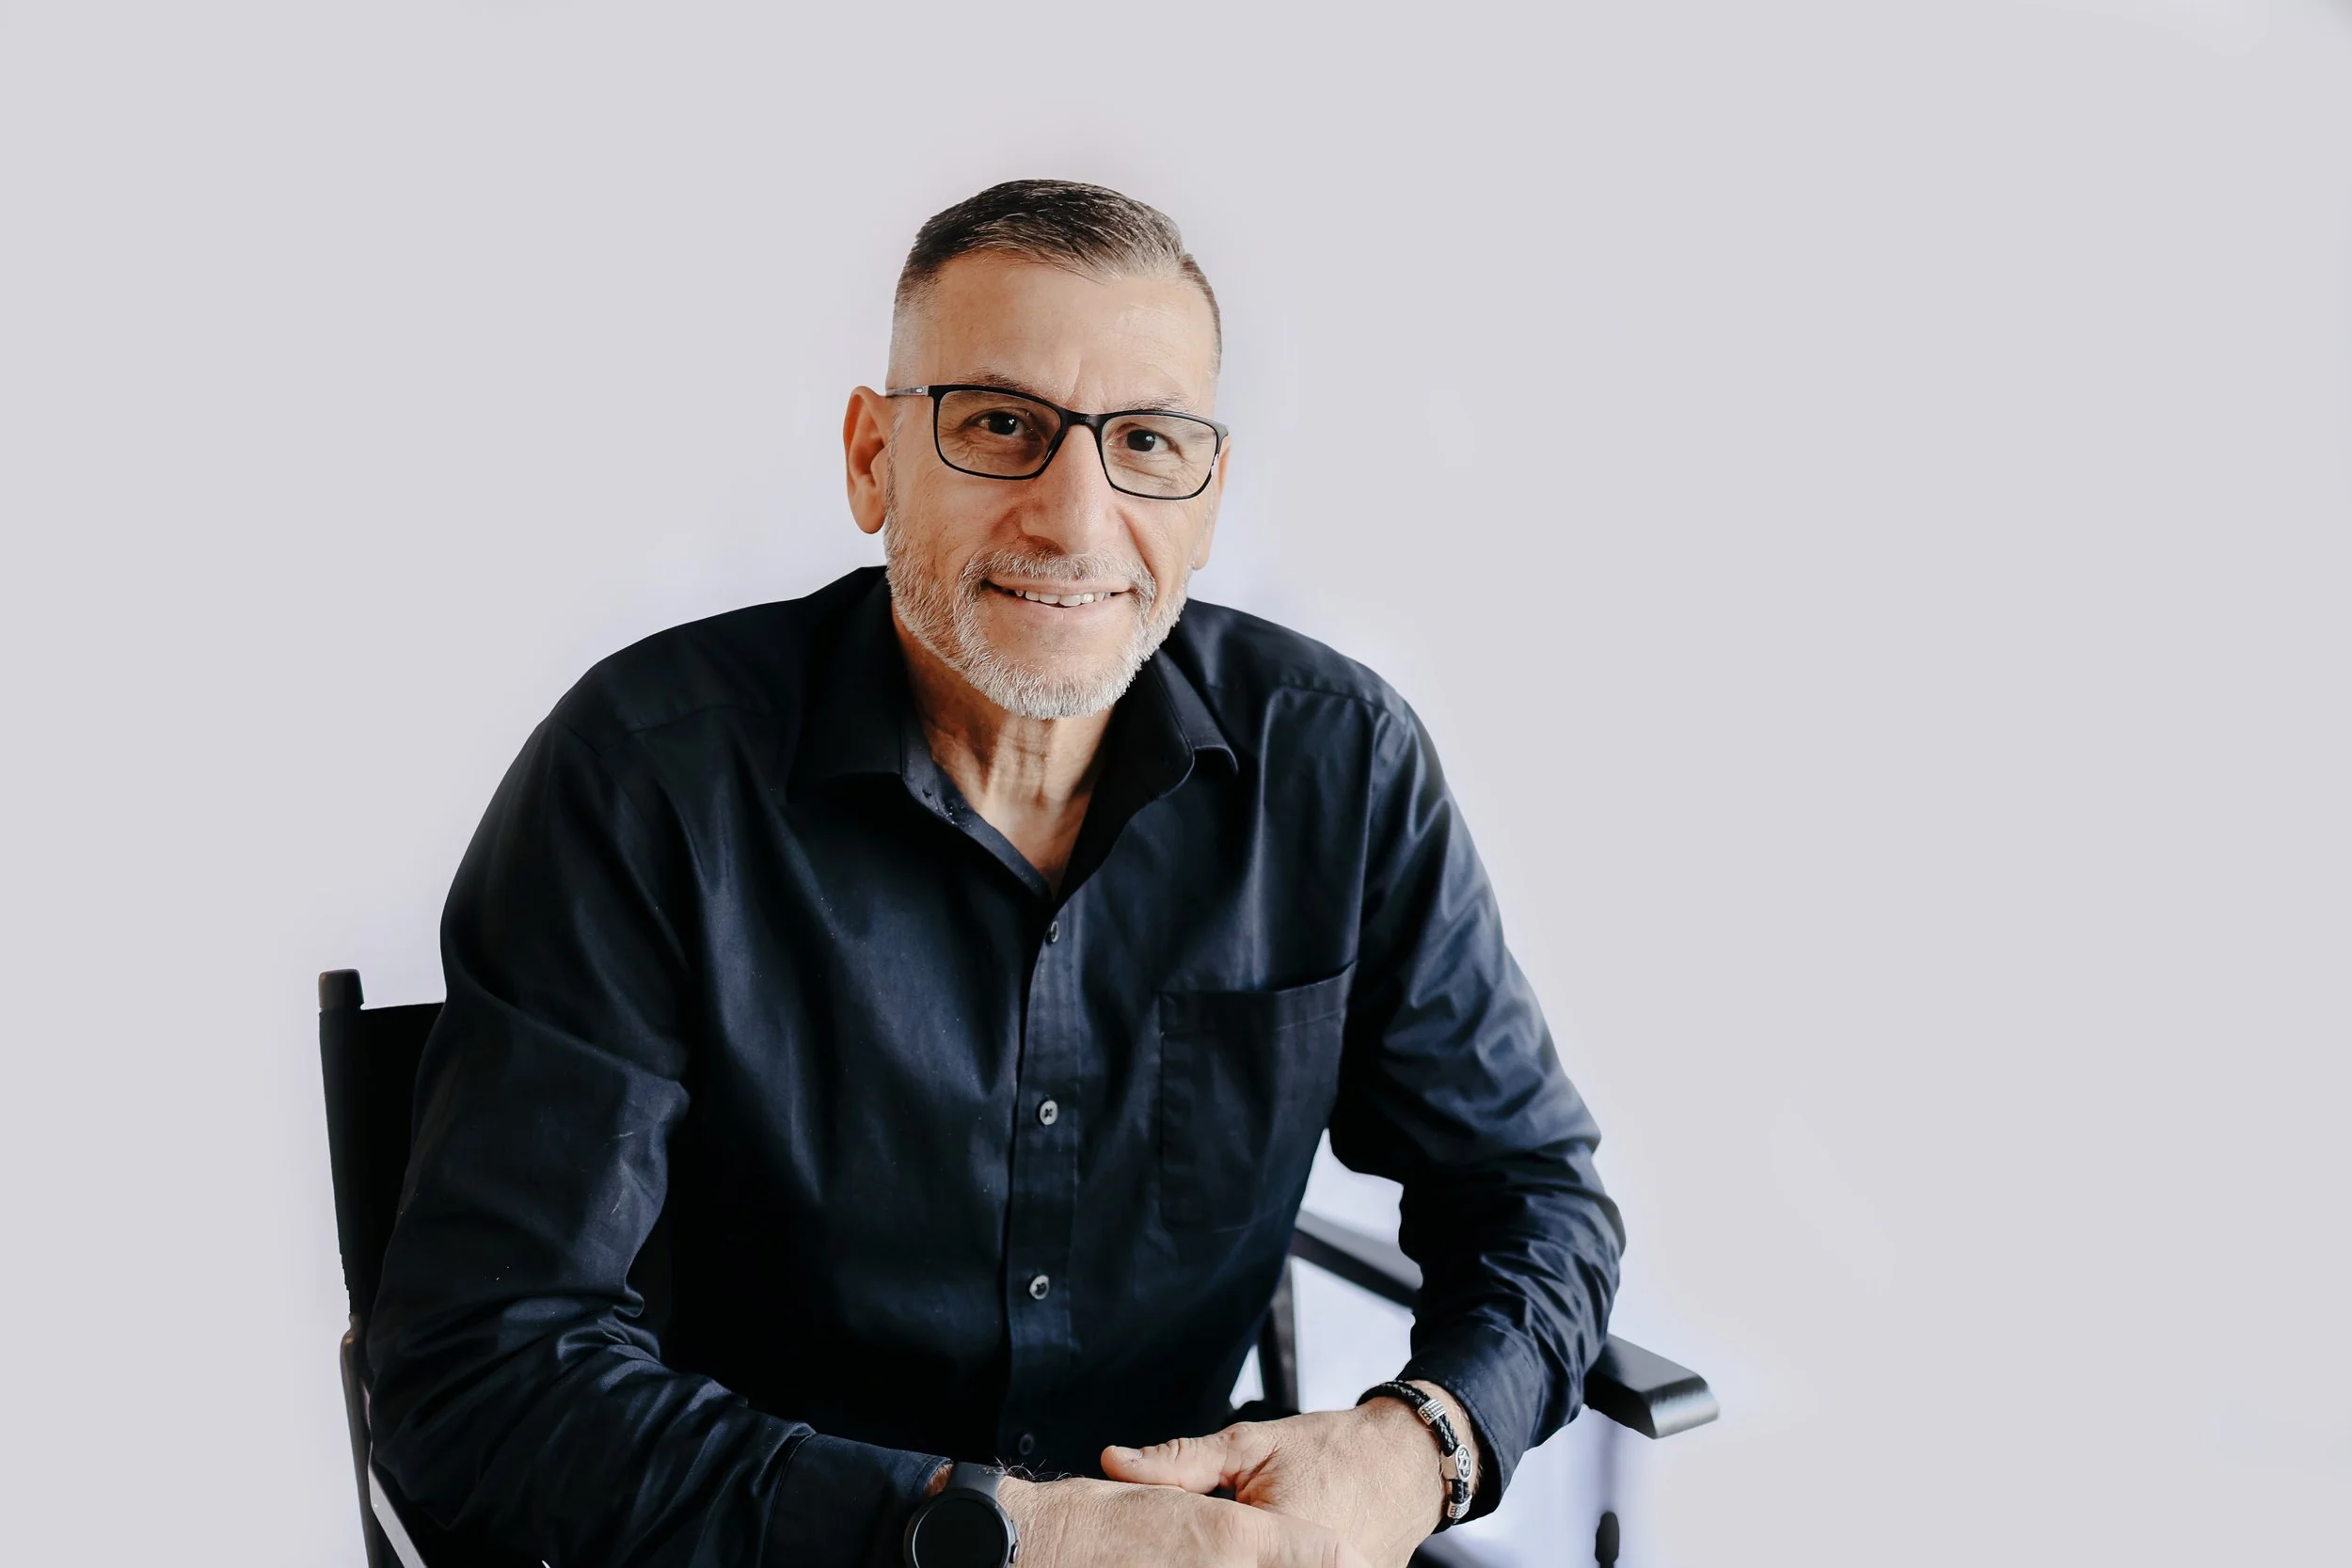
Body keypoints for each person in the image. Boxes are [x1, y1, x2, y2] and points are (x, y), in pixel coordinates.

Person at [367, 179, 1624, 1568]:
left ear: (1206, 501)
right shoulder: (642, 777)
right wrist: (1014, 1534)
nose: (1074, 517)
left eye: (1147, 440)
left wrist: (1415, 1445)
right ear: (871, 459)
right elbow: (480, 1371)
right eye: (1001, 426)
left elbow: (1534, 1196)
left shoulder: (1342, 764)